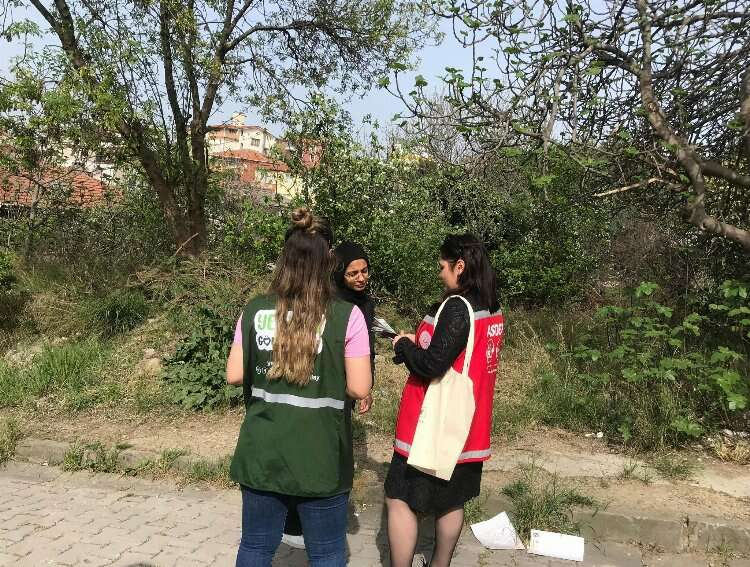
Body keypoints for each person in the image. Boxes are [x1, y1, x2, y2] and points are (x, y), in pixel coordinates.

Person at [226, 208, 373, 567]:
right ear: (329, 262)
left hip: (263, 452)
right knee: (327, 553)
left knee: (256, 547)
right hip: (321, 456)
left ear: (285, 260)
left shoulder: (255, 310)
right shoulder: (347, 315)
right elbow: (360, 387)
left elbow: (234, 374)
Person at [385, 234, 504, 567]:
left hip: (432, 426)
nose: (440, 274)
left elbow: (431, 365)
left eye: (442, 267)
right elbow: (461, 353)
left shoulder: (457, 307)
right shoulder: (491, 306)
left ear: (459, 266)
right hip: (468, 426)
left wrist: (403, 346)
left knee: (400, 499)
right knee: (452, 500)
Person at [282, 239, 378, 549]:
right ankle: (296, 516)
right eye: (353, 273)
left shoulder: (366, 304)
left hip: (349, 386)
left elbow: (367, 350)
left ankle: (325, 512)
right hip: (322, 385)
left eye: (365, 271)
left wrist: (366, 387)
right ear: (339, 274)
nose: (361, 278)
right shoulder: (329, 303)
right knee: (311, 447)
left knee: (335, 449)